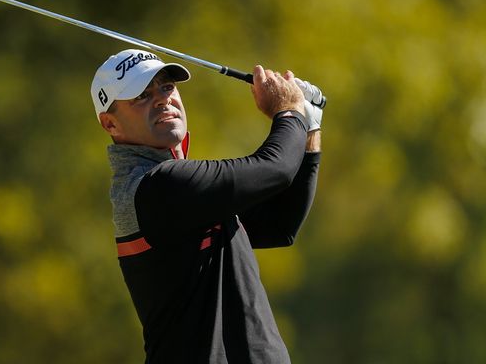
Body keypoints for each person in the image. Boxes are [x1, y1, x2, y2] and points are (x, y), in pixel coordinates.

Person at [91, 49, 323, 363]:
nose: (162, 99)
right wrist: (289, 110)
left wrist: (309, 129)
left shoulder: (184, 190)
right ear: (110, 124)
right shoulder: (155, 187)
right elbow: (275, 169)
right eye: (141, 96)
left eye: (166, 87)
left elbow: (279, 225)